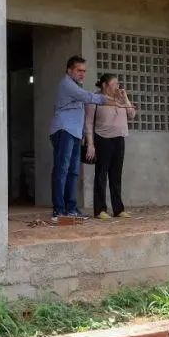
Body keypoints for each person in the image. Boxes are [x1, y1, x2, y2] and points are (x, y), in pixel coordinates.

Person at [48, 56, 124, 223]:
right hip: (64, 130)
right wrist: (114, 101)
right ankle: (59, 210)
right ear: (69, 70)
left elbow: (79, 111)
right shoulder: (67, 84)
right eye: (79, 70)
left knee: (73, 172)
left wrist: (82, 134)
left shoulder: (75, 85)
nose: (82, 74)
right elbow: (89, 97)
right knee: (62, 170)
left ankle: (71, 209)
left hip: (74, 132)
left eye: (84, 71)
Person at [84, 73, 136, 219]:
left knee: (116, 175)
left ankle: (118, 209)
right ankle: (100, 210)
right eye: (114, 84)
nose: (117, 87)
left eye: (118, 84)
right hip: (102, 139)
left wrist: (125, 97)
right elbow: (88, 122)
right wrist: (90, 144)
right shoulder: (95, 99)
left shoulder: (120, 98)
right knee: (101, 175)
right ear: (105, 85)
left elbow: (131, 114)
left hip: (119, 139)